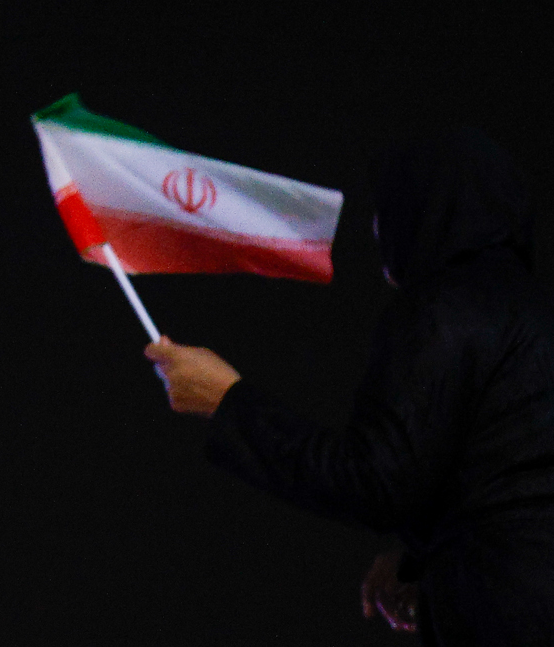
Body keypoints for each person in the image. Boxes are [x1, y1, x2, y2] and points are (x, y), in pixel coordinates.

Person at [148, 129, 554, 644]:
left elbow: (373, 481)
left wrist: (228, 402)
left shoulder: (442, 310)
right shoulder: (533, 314)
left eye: (387, 209)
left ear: (426, 210)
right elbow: (508, 481)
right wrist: (419, 558)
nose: (377, 231)